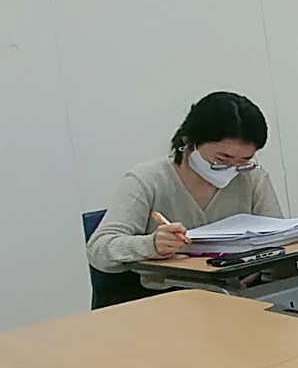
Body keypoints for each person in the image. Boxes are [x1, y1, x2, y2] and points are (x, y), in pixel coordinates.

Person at [87, 92, 284, 303]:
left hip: (241, 295)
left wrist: (264, 281)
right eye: (221, 159)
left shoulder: (252, 178)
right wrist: (151, 245)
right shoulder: (148, 180)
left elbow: (283, 244)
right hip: (167, 301)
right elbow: (99, 248)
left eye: (244, 160)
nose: (231, 169)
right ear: (189, 143)